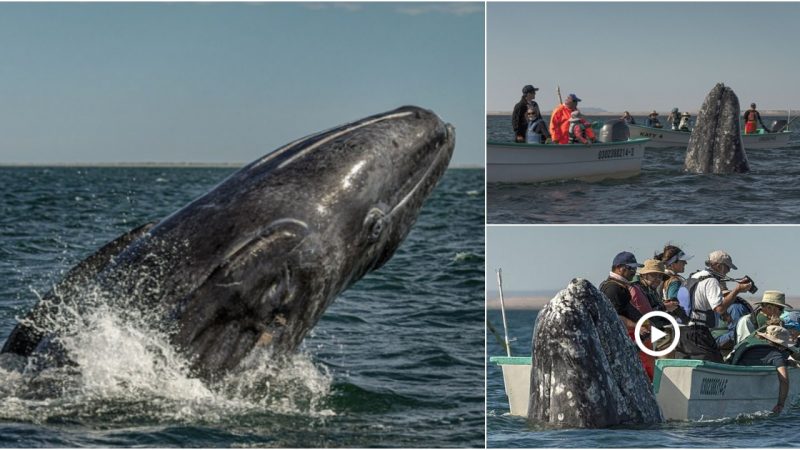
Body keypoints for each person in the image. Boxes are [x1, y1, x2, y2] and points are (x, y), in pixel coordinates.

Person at [674, 250, 753, 363]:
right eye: (727, 267)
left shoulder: (693, 277)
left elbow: (699, 302)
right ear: (719, 266)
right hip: (697, 331)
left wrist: (725, 315)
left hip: (681, 331)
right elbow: (719, 308)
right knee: (715, 366)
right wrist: (737, 290)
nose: (728, 271)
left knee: (685, 367)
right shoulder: (711, 281)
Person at [599, 251, 654, 380]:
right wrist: (638, 327)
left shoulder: (620, 286)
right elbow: (614, 317)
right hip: (622, 341)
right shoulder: (612, 289)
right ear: (619, 268)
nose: (634, 271)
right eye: (631, 268)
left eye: (635, 268)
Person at [732, 325, 795, 414]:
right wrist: (780, 404)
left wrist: (786, 362)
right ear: (781, 345)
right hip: (746, 390)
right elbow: (784, 380)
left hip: (734, 382)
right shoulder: (776, 355)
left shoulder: (748, 343)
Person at [656, 245, 691, 324]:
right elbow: (674, 305)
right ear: (672, 264)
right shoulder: (674, 281)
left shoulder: (661, 277)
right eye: (682, 261)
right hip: (674, 323)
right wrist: (687, 321)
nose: (686, 263)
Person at [715, 288, 754, 354]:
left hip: (727, 352)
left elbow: (736, 334)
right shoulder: (723, 309)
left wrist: (715, 342)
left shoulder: (735, 308)